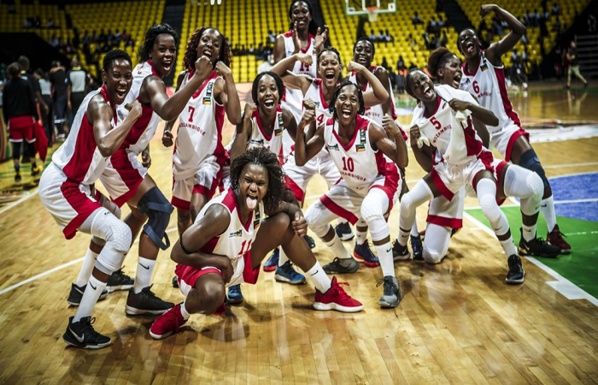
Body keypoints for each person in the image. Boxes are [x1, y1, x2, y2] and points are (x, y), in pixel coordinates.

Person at [148, 148, 363, 339]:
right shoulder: (220, 213)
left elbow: (287, 207)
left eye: (260, 183)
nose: (253, 187)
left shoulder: (261, 203)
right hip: (198, 269)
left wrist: (298, 214)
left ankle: (326, 291)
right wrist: (218, 261)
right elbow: (177, 253)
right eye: (247, 180)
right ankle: (179, 314)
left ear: (268, 187)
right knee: (213, 293)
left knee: (284, 223)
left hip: (233, 263)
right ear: (237, 179)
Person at [92, 24, 209, 315]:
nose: (168, 54)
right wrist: (198, 77)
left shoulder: (143, 73)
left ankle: (110, 268)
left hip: (125, 151)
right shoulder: (152, 81)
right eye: (162, 49)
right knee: (160, 210)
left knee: (143, 210)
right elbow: (167, 110)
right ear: (150, 51)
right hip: (117, 156)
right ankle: (140, 294)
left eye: (172, 49)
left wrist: (142, 145)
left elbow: (133, 112)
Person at [38, 50, 143, 349]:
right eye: (117, 76)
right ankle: (79, 324)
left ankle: (80, 287)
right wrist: (134, 115)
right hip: (64, 185)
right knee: (120, 233)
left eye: (127, 76)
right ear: (104, 77)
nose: (123, 82)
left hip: (75, 183)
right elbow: (107, 144)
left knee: (110, 209)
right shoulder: (100, 104)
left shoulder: (105, 101)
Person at [416, 47, 560, 264]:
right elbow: (429, 166)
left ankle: (527, 242)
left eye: (460, 67)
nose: (460, 71)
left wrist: (469, 112)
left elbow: (484, 141)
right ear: (438, 73)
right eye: (454, 66)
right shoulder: (423, 110)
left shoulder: (464, 97)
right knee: (431, 256)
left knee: (534, 184)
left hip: (475, 170)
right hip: (450, 181)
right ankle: (440, 225)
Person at [457, 4, 571, 253]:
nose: (468, 40)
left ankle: (549, 233)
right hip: (481, 137)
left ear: (478, 41)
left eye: (471, 36)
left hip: (505, 129)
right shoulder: (461, 77)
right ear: (460, 50)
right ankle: (451, 223)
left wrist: (497, 9)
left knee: (536, 174)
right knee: (499, 184)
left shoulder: (492, 55)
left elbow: (519, 30)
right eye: (463, 39)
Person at [396, 69, 525, 285]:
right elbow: (428, 166)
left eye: (423, 79)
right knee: (408, 202)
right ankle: (401, 247)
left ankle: (513, 258)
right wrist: (414, 144)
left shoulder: (452, 94)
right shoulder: (418, 121)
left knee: (489, 206)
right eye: (416, 85)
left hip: (475, 161)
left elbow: (493, 120)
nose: (422, 85)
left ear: (430, 78)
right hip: (448, 169)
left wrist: (470, 106)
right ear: (413, 94)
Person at [271, 49, 389, 272]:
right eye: (323, 62)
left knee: (360, 193)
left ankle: (360, 244)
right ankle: (282, 253)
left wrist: (363, 69)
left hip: (335, 156)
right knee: (286, 196)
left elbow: (382, 96)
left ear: (340, 69)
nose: (328, 66)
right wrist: (296, 57)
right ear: (318, 69)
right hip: (308, 150)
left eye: (334, 62)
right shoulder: (308, 84)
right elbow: (274, 75)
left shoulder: (347, 93)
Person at [296, 81, 407, 307]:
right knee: (313, 219)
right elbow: (301, 158)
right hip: (353, 186)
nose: (347, 103)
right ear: (334, 102)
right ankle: (346, 259)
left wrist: (398, 136)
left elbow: (402, 160)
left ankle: (391, 280)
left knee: (370, 210)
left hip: (383, 179)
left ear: (359, 106)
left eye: (353, 99)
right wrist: (300, 128)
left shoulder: (371, 129)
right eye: (343, 98)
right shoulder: (326, 128)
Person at [161, 27, 242, 295]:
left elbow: (234, 117)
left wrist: (229, 78)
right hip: (182, 158)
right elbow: (175, 105)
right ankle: (187, 266)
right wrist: (167, 128)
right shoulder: (186, 77)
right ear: (196, 45)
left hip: (209, 160)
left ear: (220, 52)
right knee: (183, 214)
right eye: (205, 39)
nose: (209, 44)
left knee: (198, 210)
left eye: (216, 43)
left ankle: (208, 266)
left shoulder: (217, 82)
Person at [348, 37, 422, 262]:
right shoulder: (348, 80)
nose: (363, 51)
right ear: (353, 52)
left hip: (384, 134)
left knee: (402, 187)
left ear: (372, 56)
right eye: (359, 48)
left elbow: (387, 108)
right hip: (364, 142)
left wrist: (394, 142)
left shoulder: (379, 73)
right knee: (365, 190)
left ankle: (414, 239)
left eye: (367, 50)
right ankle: (361, 242)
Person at [2, 63, 40, 182]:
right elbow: (31, 101)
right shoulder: (25, 83)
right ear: (19, 71)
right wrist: (36, 115)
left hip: (13, 120)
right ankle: (34, 167)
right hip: (27, 118)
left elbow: (5, 105)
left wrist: (6, 119)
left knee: (16, 146)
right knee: (30, 144)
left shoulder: (7, 86)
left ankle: (17, 171)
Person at [49, 60, 70, 141]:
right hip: (64, 95)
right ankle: (65, 132)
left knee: (59, 115)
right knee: (64, 115)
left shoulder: (54, 74)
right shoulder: (62, 72)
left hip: (59, 96)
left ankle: (61, 132)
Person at [33, 69, 55, 146]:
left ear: (38, 74)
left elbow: (38, 94)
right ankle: (52, 140)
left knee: (45, 121)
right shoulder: (47, 81)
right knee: (50, 121)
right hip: (50, 100)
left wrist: (43, 104)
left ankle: (47, 141)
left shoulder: (38, 82)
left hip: (44, 100)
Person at [67, 58, 90, 122]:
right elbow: (86, 84)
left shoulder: (69, 73)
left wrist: (68, 100)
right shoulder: (83, 72)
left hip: (74, 95)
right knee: (83, 113)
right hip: (82, 94)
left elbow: (69, 87)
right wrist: (85, 94)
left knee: (75, 114)